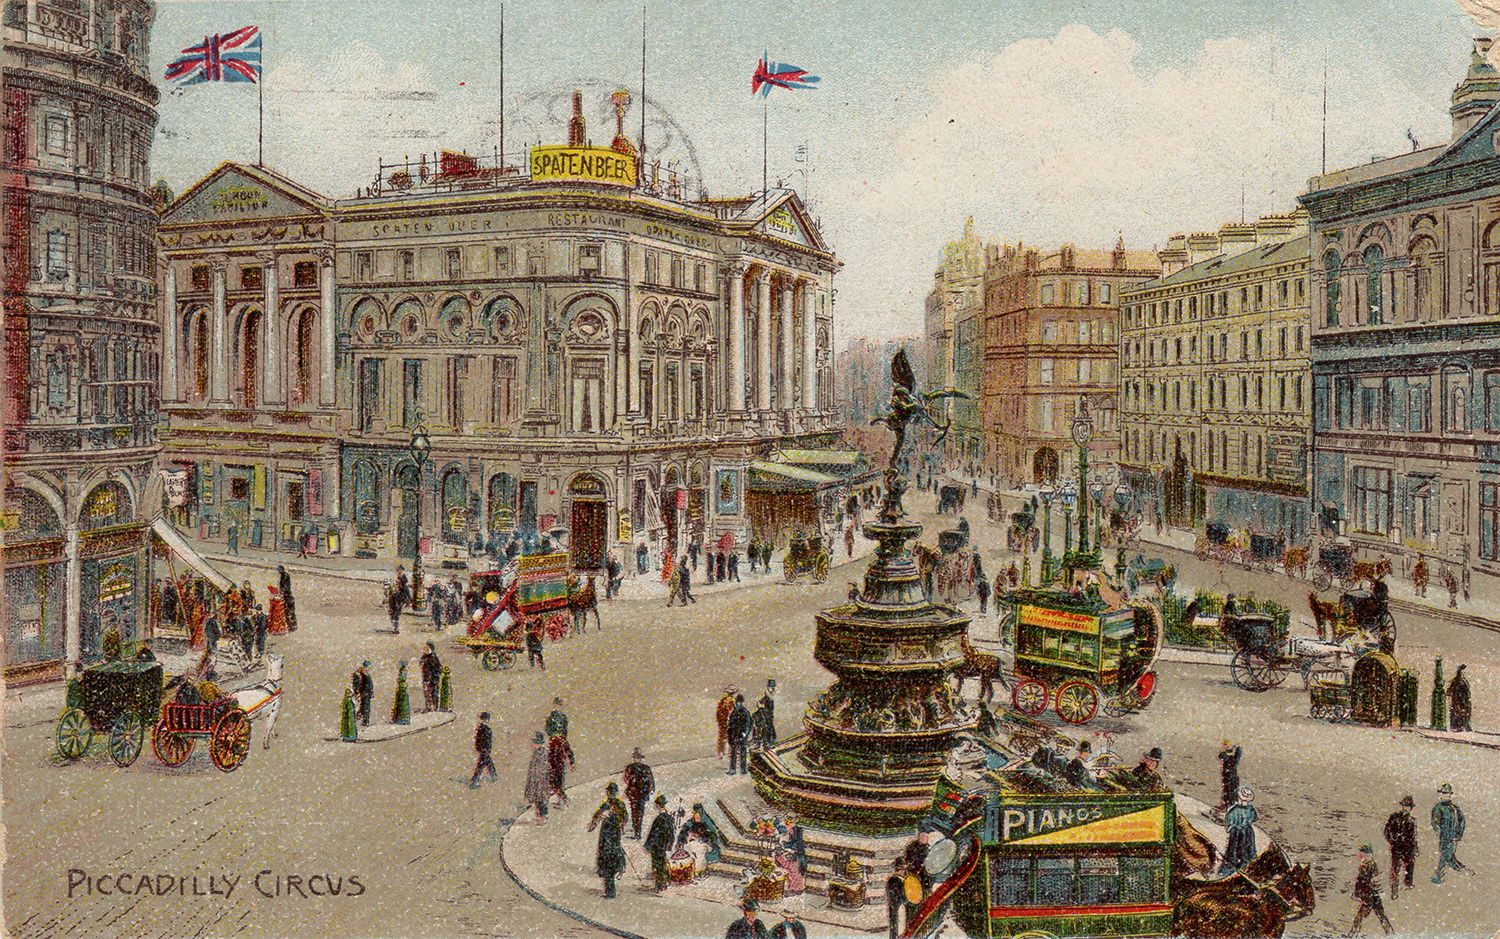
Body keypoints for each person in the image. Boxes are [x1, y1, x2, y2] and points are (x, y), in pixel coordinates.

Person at [587, 782, 628, 898]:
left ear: (608, 792)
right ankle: (611, 887)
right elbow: (625, 818)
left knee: (607, 864)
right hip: (615, 837)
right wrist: (621, 826)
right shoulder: (620, 804)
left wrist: (593, 825)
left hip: (608, 842)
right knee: (612, 861)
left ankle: (610, 891)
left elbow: (597, 816)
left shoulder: (607, 805)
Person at [1350, 844, 1394, 935]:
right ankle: (1390, 933)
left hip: (1368, 894)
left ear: (1363, 853)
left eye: (1359, 852)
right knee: (1380, 914)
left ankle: (1352, 934)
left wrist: (1356, 890)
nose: (1358, 855)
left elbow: (1363, 881)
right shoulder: (1372, 863)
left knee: (1360, 916)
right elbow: (1373, 877)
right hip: (1373, 893)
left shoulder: (1365, 864)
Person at [1430, 783, 1470, 883]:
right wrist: (1440, 833)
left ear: (1450, 795)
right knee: (1450, 859)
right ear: (1441, 795)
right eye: (1444, 793)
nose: (1445, 795)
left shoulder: (1455, 808)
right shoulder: (1438, 808)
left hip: (1453, 838)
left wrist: (1458, 834)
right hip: (1444, 837)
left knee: (1445, 857)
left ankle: (1439, 876)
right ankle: (1466, 871)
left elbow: (1462, 821)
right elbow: (1435, 822)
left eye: (1447, 793)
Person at [1383, 795, 1417, 899]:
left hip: (1397, 847)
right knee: (1408, 864)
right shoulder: (1411, 820)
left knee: (1396, 868)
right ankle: (1407, 884)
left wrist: (1391, 841)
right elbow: (1412, 837)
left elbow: (1386, 831)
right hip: (1406, 847)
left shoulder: (1393, 816)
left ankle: (1395, 890)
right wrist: (1415, 848)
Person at [1219, 787, 1258, 875]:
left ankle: (1231, 867)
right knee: (1247, 849)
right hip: (1247, 832)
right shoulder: (1251, 810)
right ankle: (1246, 865)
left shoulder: (1234, 810)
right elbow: (1254, 819)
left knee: (1234, 849)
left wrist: (1230, 827)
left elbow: (1229, 824)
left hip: (1236, 832)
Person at [675, 802, 723, 873]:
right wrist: (681, 841)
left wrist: (704, 839)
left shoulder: (707, 823)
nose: (696, 817)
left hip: (706, 846)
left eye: (698, 815)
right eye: (695, 814)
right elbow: (683, 831)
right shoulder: (691, 822)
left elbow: (713, 837)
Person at [644, 794, 674, 891]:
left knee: (657, 865)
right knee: (662, 864)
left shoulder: (659, 819)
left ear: (658, 805)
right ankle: (664, 883)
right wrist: (669, 844)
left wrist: (648, 846)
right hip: (663, 845)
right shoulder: (668, 818)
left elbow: (653, 834)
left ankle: (660, 885)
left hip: (657, 846)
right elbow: (671, 833)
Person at [623, 748, 655, 839]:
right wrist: (649, 790)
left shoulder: (630, 767)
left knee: (635, 812)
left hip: (634, 794)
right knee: (640, 812)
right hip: (642, 794)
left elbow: (626, 779)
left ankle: (637, 831)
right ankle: (637, 831)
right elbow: (651, 781)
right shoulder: (646, 768)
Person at [523, 732, 551, 824]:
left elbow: (542, 769)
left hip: (540, 781)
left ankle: (542, 818)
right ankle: (540, 817)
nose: (532, 744)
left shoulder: (542, 753)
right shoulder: (538, 752)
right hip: (537, 780)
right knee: (538, 800)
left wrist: (537, 779)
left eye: (533, 742)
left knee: (540, 800)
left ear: (537, 743)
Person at [547, 731, 575, 807]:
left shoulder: (554, 742)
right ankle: (561, 802)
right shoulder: (562, 741)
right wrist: (571, 763)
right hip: (561, 766)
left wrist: (551, 767)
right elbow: (569, 752)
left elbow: (552, 757)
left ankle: (565, 800)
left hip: (557, 767)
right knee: (559, 785)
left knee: (556, 786)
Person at [469, 712, 496, 787]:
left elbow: (478, 741)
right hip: (485, 750)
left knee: (487, 763)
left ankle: (494, 777)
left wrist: (479, 749)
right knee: (481, 766)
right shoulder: (486, 729)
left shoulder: (480, 728)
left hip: (483, 750)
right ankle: (474, 782)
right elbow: (486, 741)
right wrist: (487, 750)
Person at [727, 693, 751, 774]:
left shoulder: (745, 712)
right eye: (737, 702)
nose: (738, 704)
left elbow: (748, 723)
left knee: (743, 752)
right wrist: (729, 735)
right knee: (733, 752)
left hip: (742, 735)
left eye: (739, 702)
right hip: (734, 735)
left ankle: (743, 769)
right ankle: (733, 769)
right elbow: (730, 724)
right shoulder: (734, 712)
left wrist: (745, 733)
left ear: (741, 703)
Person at [1218, 740, 1243, 813]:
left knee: (1230, 792)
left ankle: (1228, 807)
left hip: (1231, 777)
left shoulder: (1230, 759)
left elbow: (1234, 760)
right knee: (1228, 791)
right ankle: (1226, 806)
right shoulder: (1227, 756)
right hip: (1228, 776)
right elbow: (1222, 756)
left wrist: (1238, 749)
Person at [886, 858, 907, 939]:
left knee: (894, 924)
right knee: (899, 924)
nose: (904, 872)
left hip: (893, 904)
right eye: (903, 870)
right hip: (898, 905)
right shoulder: (899, 880)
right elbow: (901, 895)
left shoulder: (891, 879)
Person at [1448, 665, 1472, 732]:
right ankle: (1457, 727)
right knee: (1458, 713)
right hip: (1458, 700)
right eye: (1462, 671)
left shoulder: (1464, 680)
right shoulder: (1456, 680)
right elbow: (1450, 691)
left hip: (1464, 699)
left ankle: (1464, 726)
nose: (1464, 673)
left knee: (1465, 713)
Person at [420, 642, 442, 712]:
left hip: (432, 679)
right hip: (426, 678)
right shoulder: (424, 656)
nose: (425, 649)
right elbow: (421, 664)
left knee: (433, 692)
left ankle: (434, 707)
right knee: (426, 692)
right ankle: (428, 707)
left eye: (427, 648)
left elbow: (437, 668)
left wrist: (433, 676)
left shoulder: (433, 657)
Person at [716, 687, 737, 759]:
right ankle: (727, 752)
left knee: (723, 736)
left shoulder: (723, 700)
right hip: (726, 720)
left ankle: (722, 752)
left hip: (723, 721)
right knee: (729, 736)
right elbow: (731, 711)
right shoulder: (729, 701)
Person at [352, 661, 374, 726]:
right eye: (369, 667)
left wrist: (371, 691)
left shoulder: (365, 673)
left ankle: (360, 719)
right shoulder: (360, 673)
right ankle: (365, 721)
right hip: (364, 692)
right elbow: (357, 684)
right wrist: (357, 692)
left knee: (364, 707)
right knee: (365, 707)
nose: (369, 668)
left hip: (367, 692)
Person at [277, 564, 297, 631]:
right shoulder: (283, 575)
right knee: (287, 612)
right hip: (286, 595)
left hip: (287, 596)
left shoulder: (285, 576)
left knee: (289, 612)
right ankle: (290, 626)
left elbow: (286, 586)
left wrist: (282, 592)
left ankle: (292, 626)